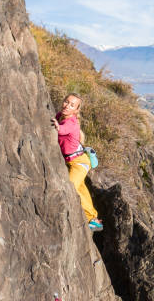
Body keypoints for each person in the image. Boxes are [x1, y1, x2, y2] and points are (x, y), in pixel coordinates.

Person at [52, 93, 103, 231]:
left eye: (72, 105)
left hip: (79, 163)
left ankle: (93, 220)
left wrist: (57, 126)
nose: (67, 106)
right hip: (75, 161)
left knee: (72, 186)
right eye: (66, 102)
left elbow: (62, 130)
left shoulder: (71, 122)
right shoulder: (61, 116)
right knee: (81, 189)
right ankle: (93, 217)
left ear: (76, 110)